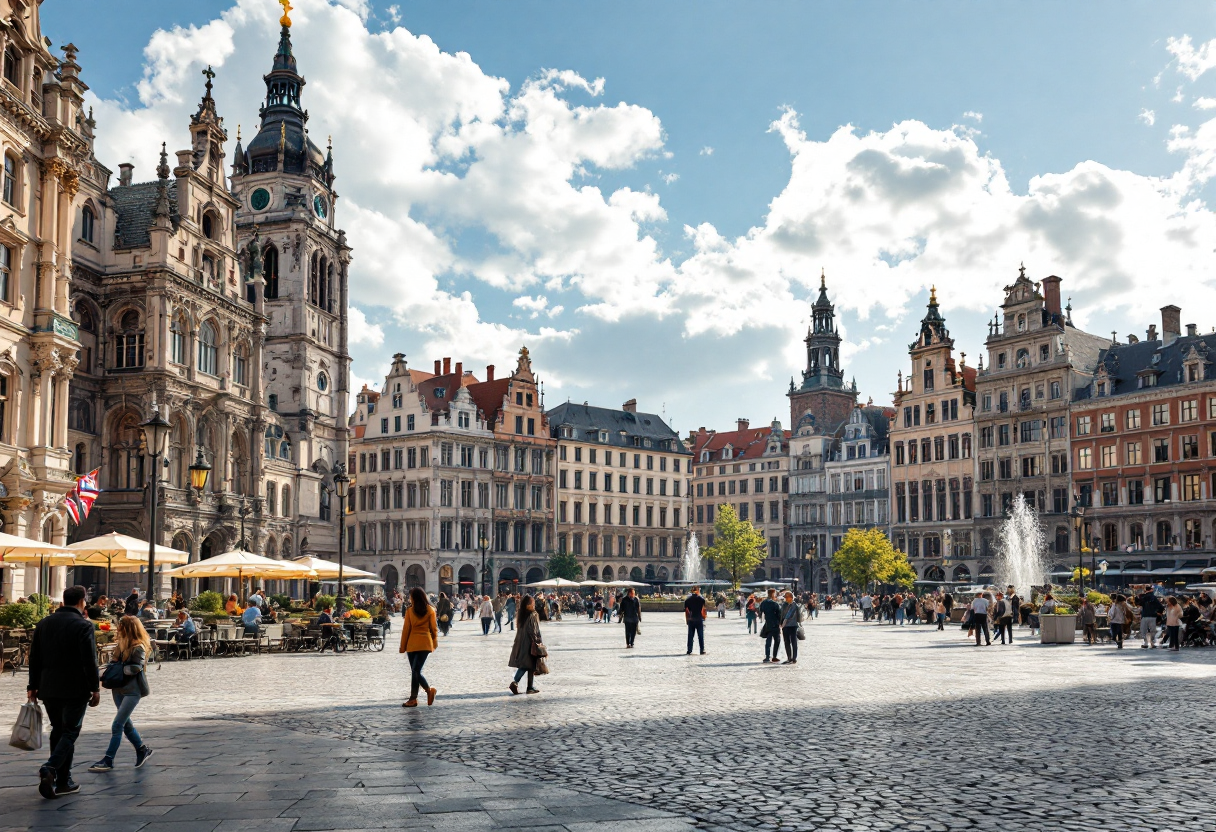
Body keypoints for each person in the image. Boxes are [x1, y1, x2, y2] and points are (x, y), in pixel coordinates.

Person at [26, 585, 101, 799]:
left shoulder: (44, 623)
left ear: (63, 601)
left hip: (49, 686)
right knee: (70, 731)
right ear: (82, 601)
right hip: (75, 687)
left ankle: (63, 780)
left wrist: (32, 685)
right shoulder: (83, 625)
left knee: (58, 729)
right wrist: (95, 688)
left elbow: (34, 658)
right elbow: (89, 661)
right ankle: (50, 769)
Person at [87, 616, 153, 774]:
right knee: (126, 724)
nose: (118, 629)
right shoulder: (121, 644)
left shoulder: (139, 647)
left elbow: (136, 667)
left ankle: (108, 759)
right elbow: (114, 662)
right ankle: (142, 749)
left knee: (118, 725)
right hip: (118, 688)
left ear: (128, 628)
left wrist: (119, 668)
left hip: (132, 690)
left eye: (121, 627)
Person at [398, 587, 439, 707]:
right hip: (425, 643)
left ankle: (413, 698)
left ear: (414, 598)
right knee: (415, 671)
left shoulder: (410, 611)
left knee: (415, 671)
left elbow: (406, 630)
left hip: (412, 644)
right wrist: (434, 643)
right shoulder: (430, 610)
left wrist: (403, 646)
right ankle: (428, 691)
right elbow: (434, 629)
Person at [508, 595, 543, 695]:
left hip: (521, 642)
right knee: (527, 664)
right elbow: (534, 630)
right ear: (528, 605)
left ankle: (529, 687)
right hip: (530, 642)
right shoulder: (533, 614)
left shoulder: (522, 614)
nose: (534, 605)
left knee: (529, 664)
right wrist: (538, 641)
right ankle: (516, 682)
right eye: (532, 603)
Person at [758, 588, 783, 663]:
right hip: (775, 624)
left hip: (768, 624)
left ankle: (767, 657)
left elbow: (760, 611)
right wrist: (780, 623)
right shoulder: (775, 603)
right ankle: (774, 656)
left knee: (768, 641)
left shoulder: (764, 602)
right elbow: (779, 614)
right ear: (773, 594)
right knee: (777, 640)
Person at [780, 591, 802, 665]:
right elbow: (781, 614)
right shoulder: (784, 605)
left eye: (787, 597)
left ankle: (794, 658)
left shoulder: (795, 605)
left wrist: (784, 621)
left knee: (794, 642)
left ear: (791, 598)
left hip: (793, 626)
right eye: (785, 597)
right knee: (787, 642)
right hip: (785, 626)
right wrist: (781, 622)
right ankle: (789, 657)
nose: (786, 599)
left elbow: (790, 615)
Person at [683, 587, 707, 655]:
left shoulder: (687, 600)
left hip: (691, 619)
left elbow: (686, 611)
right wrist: (704, 618)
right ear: (698, 591)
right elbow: (704, 610)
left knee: (690, 636)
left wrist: (687, 620)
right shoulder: (702, 599)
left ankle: (689, 650)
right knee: (700, 636)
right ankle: (702, 650)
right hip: (699, 619)